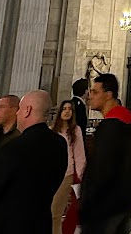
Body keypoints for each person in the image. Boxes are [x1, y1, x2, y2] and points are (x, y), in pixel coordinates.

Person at [0, 90, 67, 234]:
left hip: (6, 226)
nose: (17, 114)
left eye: (20, 109)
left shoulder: (14, 148)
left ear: (27, 110)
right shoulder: (59, 144)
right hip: (40, 225)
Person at [79, 73, 131, 234]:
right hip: (121, 200)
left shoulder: (110, 128)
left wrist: (87, 203)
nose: (89, 96)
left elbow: (102, 169)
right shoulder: (123, 122)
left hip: (105, 205)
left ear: (108, 95)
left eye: (94, 92)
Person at [51, 99, 86, 234]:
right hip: (52, 175)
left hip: (67, 173)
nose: (67, 111)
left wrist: (81, 176)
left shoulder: (75, 130)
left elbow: (79, 154)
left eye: (69, 109)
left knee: (55, 211)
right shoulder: (52, 130)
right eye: (64, 108)